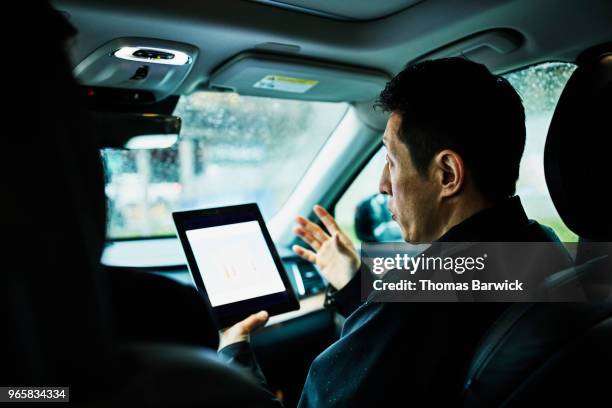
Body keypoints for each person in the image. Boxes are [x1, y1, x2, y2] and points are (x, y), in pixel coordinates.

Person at [217, 58, 573, 406]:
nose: (383, 184)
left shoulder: (422, 297)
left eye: (391, 160)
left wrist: (233, 352)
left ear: (447, 175)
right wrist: (357, 285)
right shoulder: (544, 249)